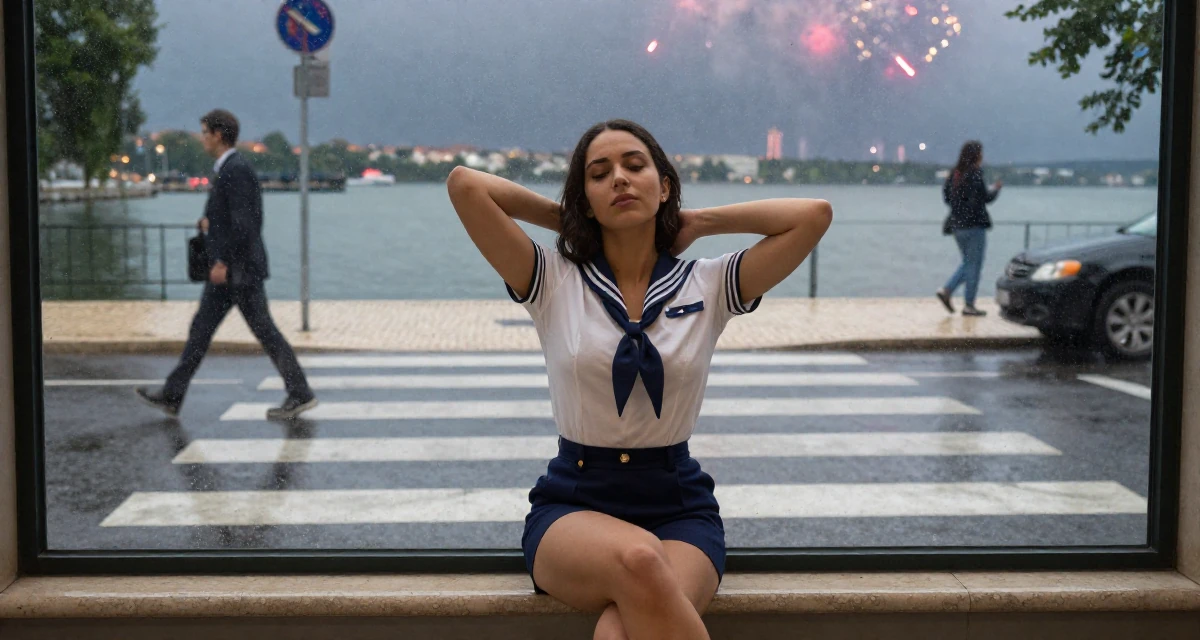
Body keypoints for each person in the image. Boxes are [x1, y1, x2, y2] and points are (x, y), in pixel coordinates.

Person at [447, 119, 831, 639]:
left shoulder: (708, 283)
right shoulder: (554, 280)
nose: (620, 180)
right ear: (584, 197)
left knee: (617, 632)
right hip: (574, 502)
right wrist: (571, 222)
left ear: (664, 183)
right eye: (599, 174)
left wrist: (696, 222)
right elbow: (466, 186)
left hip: (678, 505)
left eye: (635, 166)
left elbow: (812, 216)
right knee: (639, 559)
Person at [136, 109, 317, 420]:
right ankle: (172, 394)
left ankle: (300, 392)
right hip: (232, 271)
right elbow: (232, 218)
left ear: (218, 135)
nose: (203, 139)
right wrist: (210, 223)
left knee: (264, 332)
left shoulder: (236, 169)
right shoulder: (229, 168)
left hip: (237, 272)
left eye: (205, 133)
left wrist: (222, 261)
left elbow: (245, 224)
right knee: (201, 331)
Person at [937, 140, 1002, 317]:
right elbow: (985, 198)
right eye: (981, 153)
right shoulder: (975, 174)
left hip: (957, 226)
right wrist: (996, 189)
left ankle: (948, 292)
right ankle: (966, 303)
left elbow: (947, 198)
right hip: (974, 226)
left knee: (968, 263)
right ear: (976, 155)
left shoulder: (955, 174)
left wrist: (960, 208)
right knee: (974, 265)